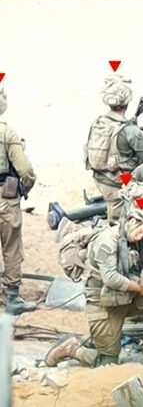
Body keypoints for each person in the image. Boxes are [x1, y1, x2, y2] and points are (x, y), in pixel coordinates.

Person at [44, 205, 143, 368]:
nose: (141, 237)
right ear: (133, 222)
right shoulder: (107, 240)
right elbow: (110, 278)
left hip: (129, 296)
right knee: (107, 362)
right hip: (103, 303)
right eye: (141, 232)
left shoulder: (141, 242)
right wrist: (140, 288)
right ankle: (73, 349)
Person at [84, 74, 143, 224]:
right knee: (118, 226)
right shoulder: (130, 131)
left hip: (100, 178)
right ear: (128, 102)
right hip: (117, 184)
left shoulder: (99, 122)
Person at [0, 87, 37, 315]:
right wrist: (25, 188)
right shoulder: (7, 133)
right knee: (12, 247)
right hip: (5, 199)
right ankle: (12, 297)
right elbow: (26, 170)